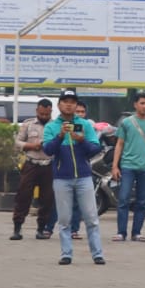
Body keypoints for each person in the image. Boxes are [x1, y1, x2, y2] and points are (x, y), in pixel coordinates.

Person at [42, 89, 106, 266]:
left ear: (76, 105)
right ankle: (66, 254)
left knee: (91, 217)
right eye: (65, 101)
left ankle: (97, 254)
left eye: (72, 101)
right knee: (64, 219)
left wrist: (81, 140)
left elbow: (95, 149)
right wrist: (60, 136)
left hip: (84, 177)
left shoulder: (84, 125)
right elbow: (47, 150)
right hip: (62, 178)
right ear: (59, 104)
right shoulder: (51, 127)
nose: (69, 104)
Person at [110, 92, 145, 243]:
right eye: (142, 103)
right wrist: (115, 166)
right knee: (123, 199)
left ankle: (136, 232)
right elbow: (119, 144)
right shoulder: (127, 123)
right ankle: (121, 232)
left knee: (142, 201)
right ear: (135, 105)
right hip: (128, 166)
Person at [11, 99, 57, 240]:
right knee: (23, 196)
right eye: (41, 113)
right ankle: (17, 229)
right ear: (37, 111)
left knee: (47, 198)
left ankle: (41, 230)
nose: (43, 116)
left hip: (49, 164)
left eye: (46, 114)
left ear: (51, 111)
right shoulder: (28, 124)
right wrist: (31, 146)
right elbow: (17, 142)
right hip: (31, 164)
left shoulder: (55, 125)